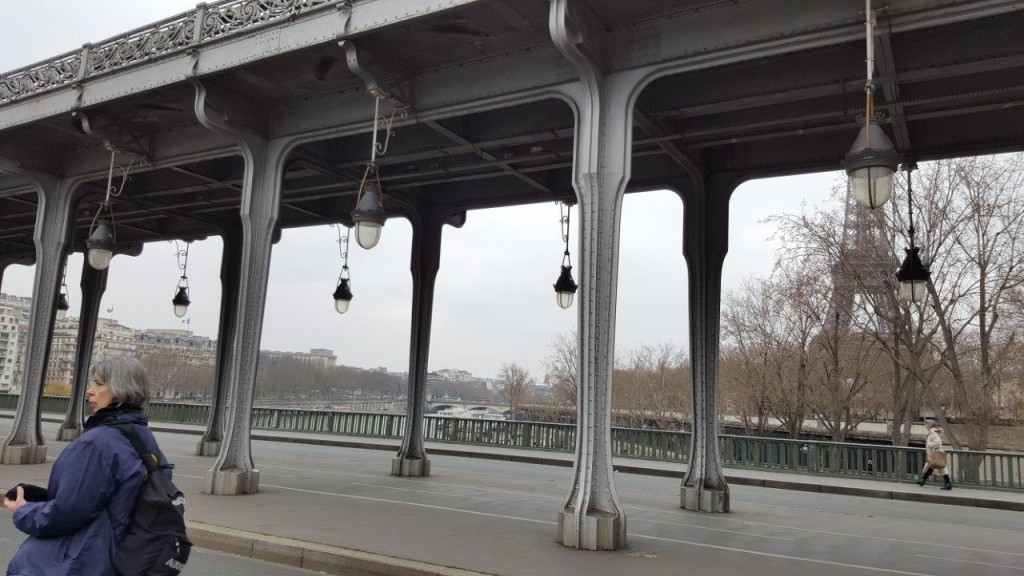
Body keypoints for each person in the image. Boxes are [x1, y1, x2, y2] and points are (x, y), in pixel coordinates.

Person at [3, 356, 171, 576]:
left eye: (99, 384)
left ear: (122, 390)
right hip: (122, 556)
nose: (90, 391)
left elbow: (69, 512)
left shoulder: (97, 443)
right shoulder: (143, 437)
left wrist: (24, 510)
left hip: (81, 559)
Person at [916, 420, 952, 491]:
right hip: (934, 453)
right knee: (933, 466)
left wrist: (929, 444)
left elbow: (938, 443)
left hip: (936, 453)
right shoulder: (932, 432)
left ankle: (948, 484)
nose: (925, 426)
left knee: (940, 467)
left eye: (926, 424)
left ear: (929, 425)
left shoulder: (933, 433)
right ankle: (923, 480)